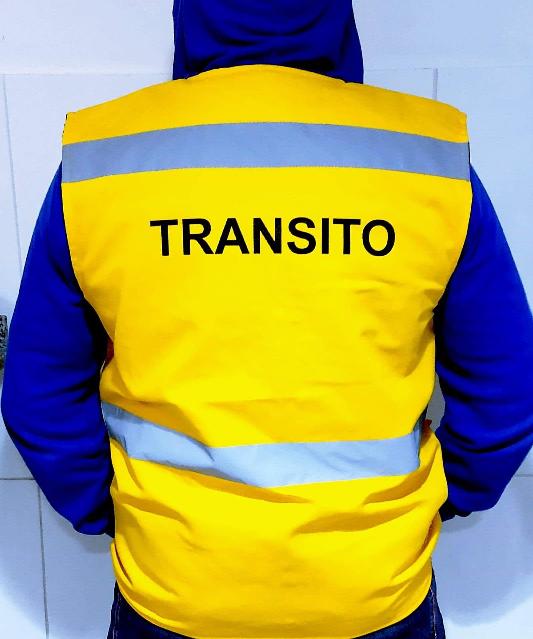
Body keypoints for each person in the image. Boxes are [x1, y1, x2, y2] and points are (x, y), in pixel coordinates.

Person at [2, 1, 533, 638]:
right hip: (373, 585)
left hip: (176, 584)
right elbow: (507, 390)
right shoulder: (427, 160)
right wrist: (439, 503)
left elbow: (38, 396)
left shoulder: (102, 162)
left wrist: (112, 512)